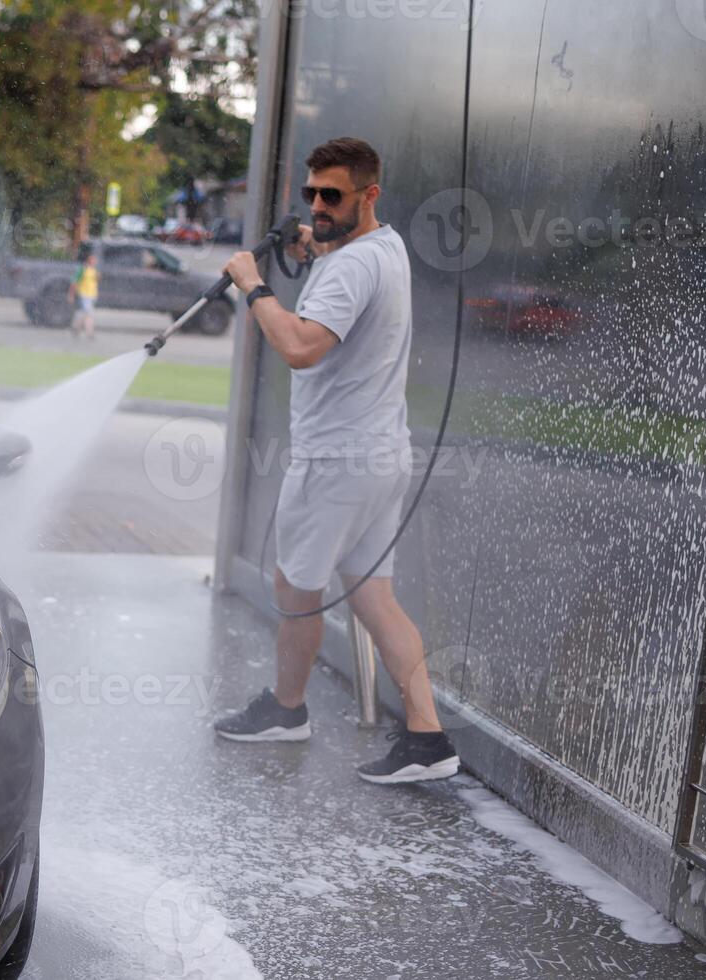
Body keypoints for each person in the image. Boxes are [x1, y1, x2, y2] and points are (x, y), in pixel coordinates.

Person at [212, 136, 459, 784]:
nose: (318, 205)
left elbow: (300, 346)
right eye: (312, 194)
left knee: (296, 590)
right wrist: (312, 241)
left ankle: (287, 710)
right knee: (375, 598)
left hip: (336, 464)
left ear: (369, 194)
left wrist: (254, 284)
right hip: (380, 458)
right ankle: (429, 739)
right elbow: (341, 258)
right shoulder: (383, 246)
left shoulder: (349, 268)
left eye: (333, 197)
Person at [67, 249, 98, 339]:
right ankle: (90, 332)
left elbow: (94, 282)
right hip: (84, 294)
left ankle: (76, 328)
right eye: (92, 259)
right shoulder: (82, 269)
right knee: (89, 313)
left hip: (92, 295)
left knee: (82, 313)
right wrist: (71, 294)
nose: (94, 261)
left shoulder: (94, 270)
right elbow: (74, 282)